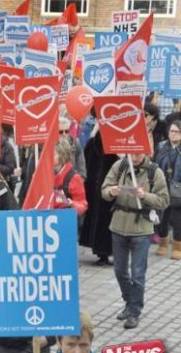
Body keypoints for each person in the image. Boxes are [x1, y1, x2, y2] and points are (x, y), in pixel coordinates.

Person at [101, 153, 169, 329]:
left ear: (146, 152)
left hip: (141, 229)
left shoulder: (155, 172)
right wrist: (111, 191)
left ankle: (134, 312)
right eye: (132, 153)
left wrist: (144, 195)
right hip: (118, 226)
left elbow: (163, 200)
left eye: (139, 152)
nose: (135, 156)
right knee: (119, 271)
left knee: (138, 274)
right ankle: (129, 301)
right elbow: (104, 190)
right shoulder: (120, 166)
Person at [79, 130, 119, 266]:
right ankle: (102, 253)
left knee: (107, 220)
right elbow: (85, 163)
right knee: (99, 220)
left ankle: (106, 252)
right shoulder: (92, 144)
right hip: (95, 188)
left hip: (110, 189)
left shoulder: (116, 145)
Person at [153, 119, 181, 258]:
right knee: (161, 218)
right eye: (172, 131)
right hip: (162, 186)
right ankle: (163, 243)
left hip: (178, 188)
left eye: (177, 131)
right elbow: (154, 163)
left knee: (177, 219)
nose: (174, 134)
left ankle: (177, 246)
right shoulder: (161, 146)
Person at [53, 140, 88, 217]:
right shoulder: (47, 174)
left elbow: (83, 206)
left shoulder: (74, 178)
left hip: (66, 221)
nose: (49, 156)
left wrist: (72, 204)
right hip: (49, 220)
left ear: (62, 156)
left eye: (53, 154)